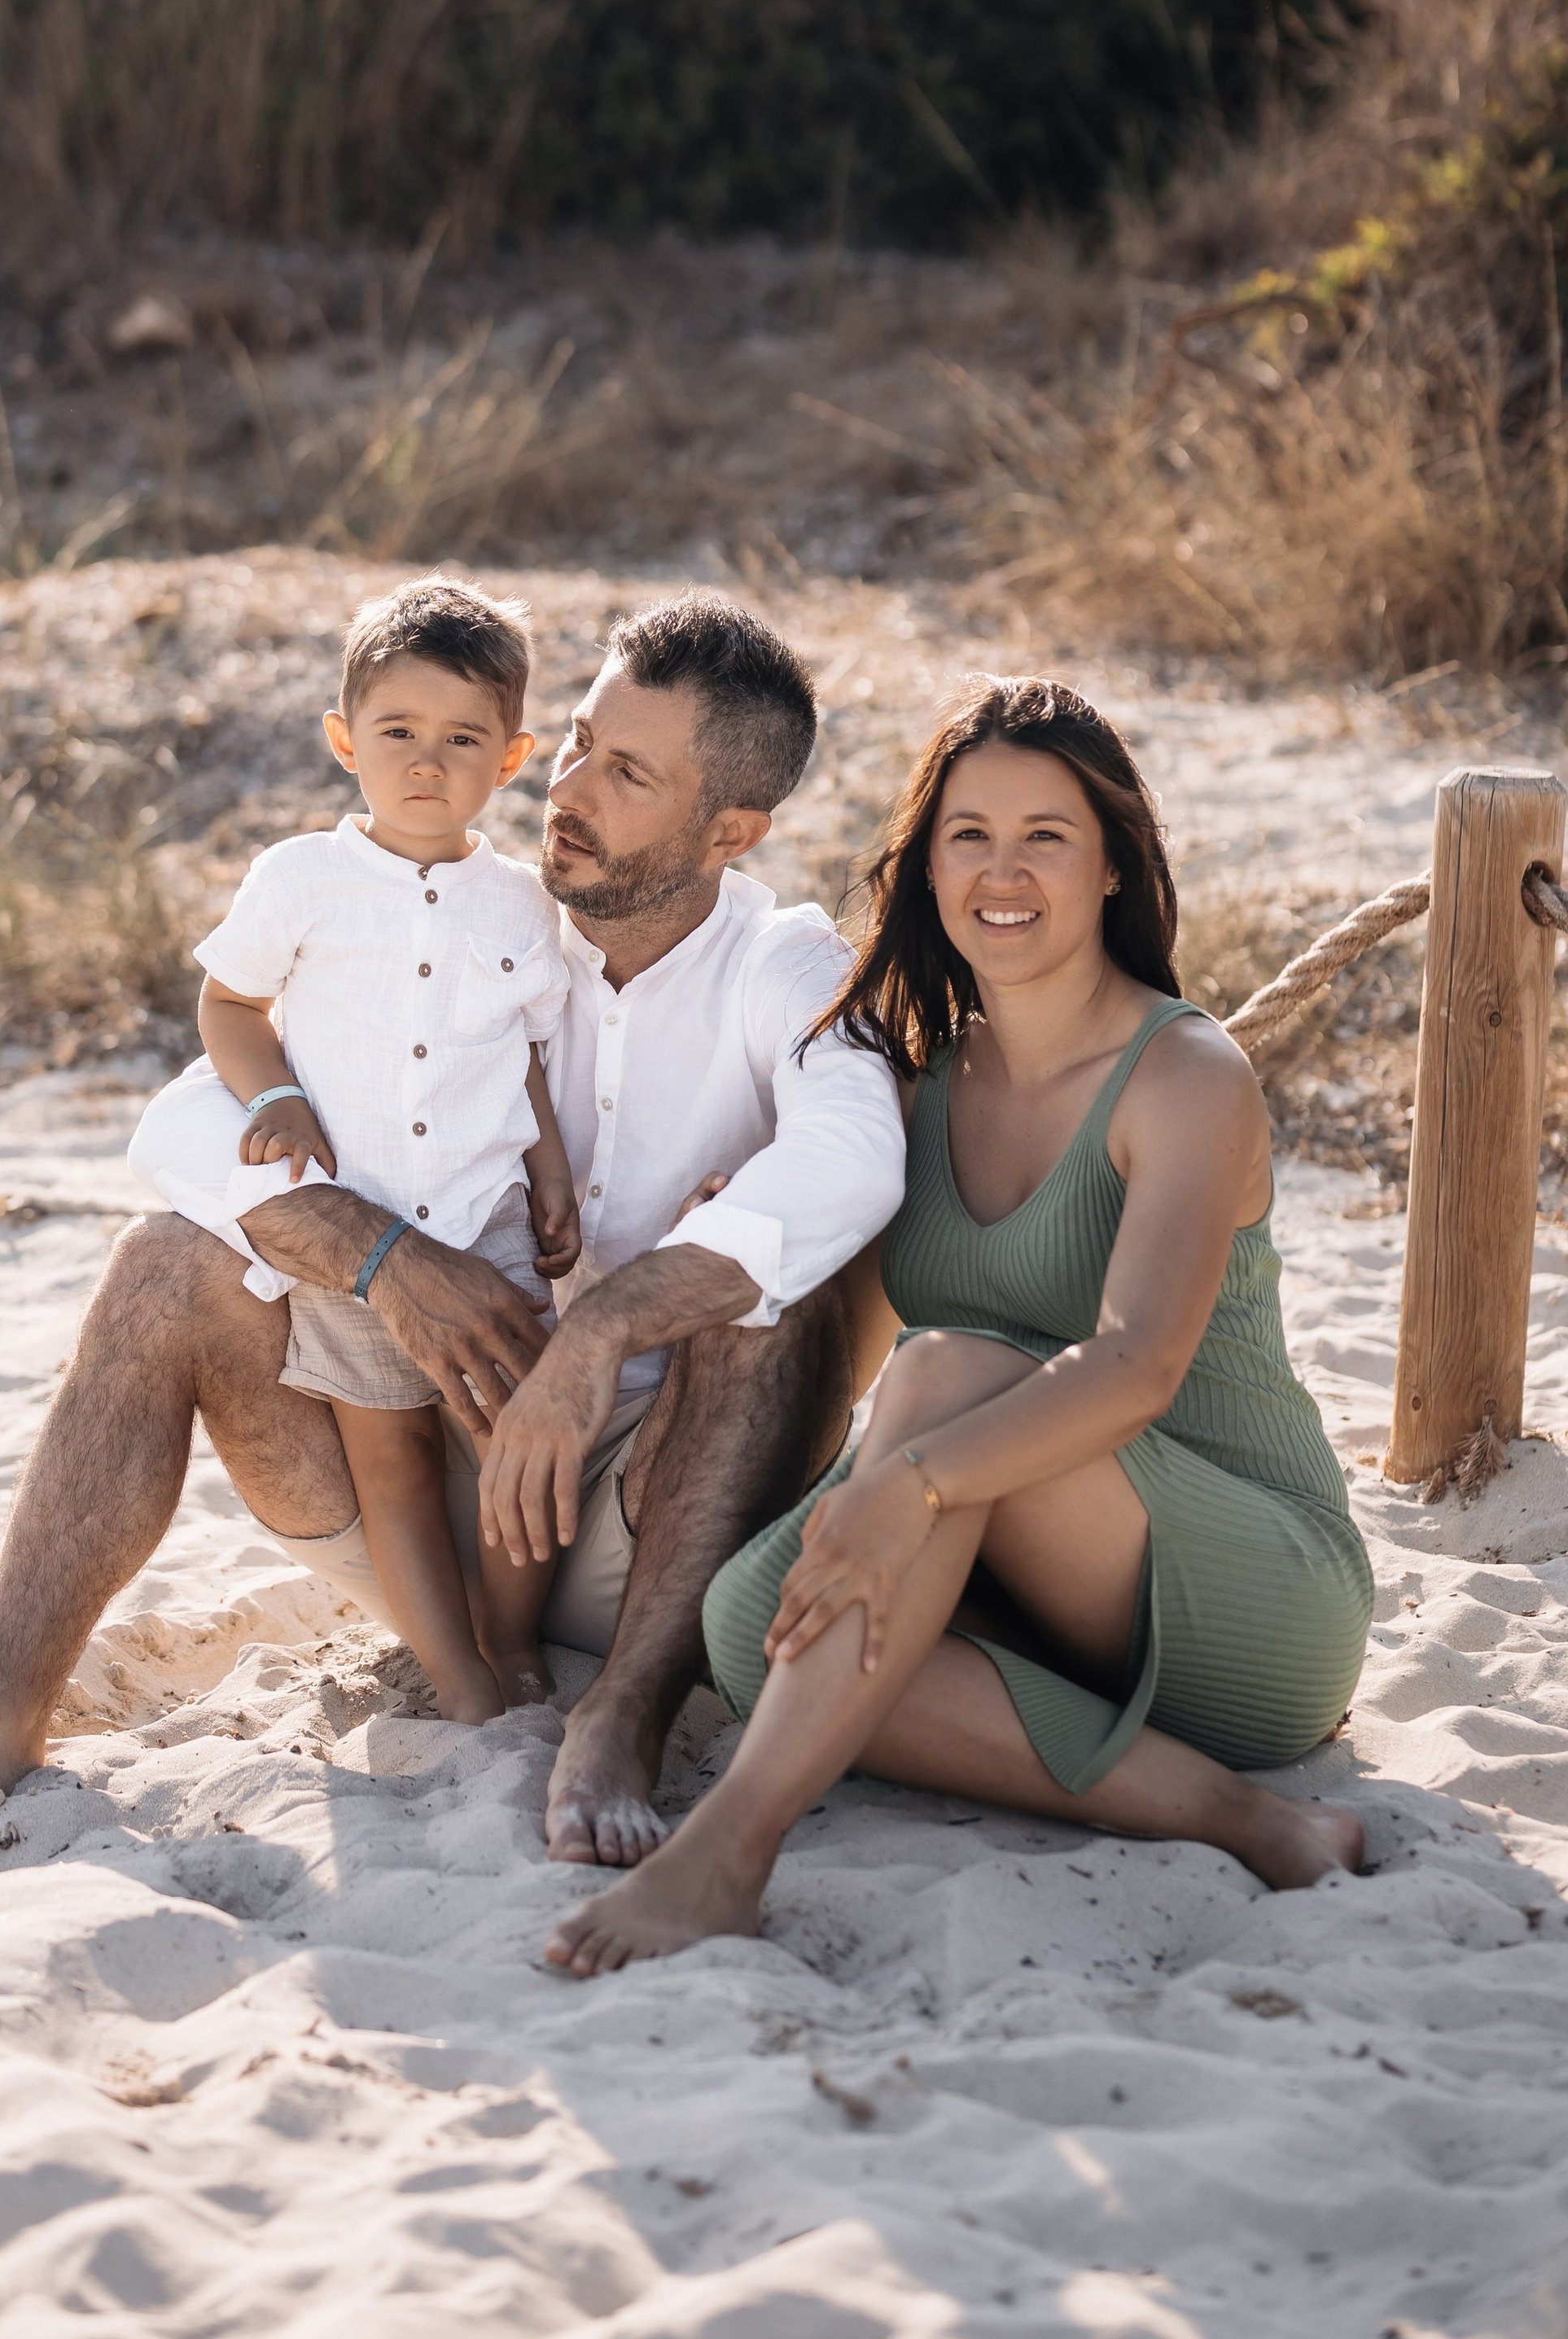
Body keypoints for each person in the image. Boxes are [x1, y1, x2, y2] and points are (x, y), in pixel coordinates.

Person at [0, 593, 908, 1865]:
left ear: (731, 829)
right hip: (418, 1479)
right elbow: (190, 1124)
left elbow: (855, 1155)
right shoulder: (468, 917)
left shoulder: (784, 964)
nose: (569, 787)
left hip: (656, 1521)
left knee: (777, 1293)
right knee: (162, 1264)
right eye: (578, 740)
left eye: (626, 772)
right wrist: (379, 1253)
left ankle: (624, 1720)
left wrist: (607, 1324)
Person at [545, 675, 1375, 1976]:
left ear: (1112, 867)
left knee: (945, 1380)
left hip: (1249, 1589)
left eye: (1047, 835)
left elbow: (1141, 1366)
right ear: (927, 866)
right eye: (968, 835)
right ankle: (1238, 1815)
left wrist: (908, 1486)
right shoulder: (924, 1090)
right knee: (756, 1622)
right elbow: (848, 1342)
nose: (1003, 869)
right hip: (1044, 1605)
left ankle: (727, 1852)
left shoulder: (1187, 1075)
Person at [179, 576, 581, 1723]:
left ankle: (511, 1642)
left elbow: (531, 1060)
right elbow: (229, 1005)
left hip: (487, 1225)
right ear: (344, 739)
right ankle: (455, 1673)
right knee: (391, 1466)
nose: (425, 761)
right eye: (398, 732)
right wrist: (280, 1097)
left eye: (462, 739)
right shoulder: (301, 878)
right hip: (357, 1222)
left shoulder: (520, 903)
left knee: (519, 1439)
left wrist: (549, 1170)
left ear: (510, 760)